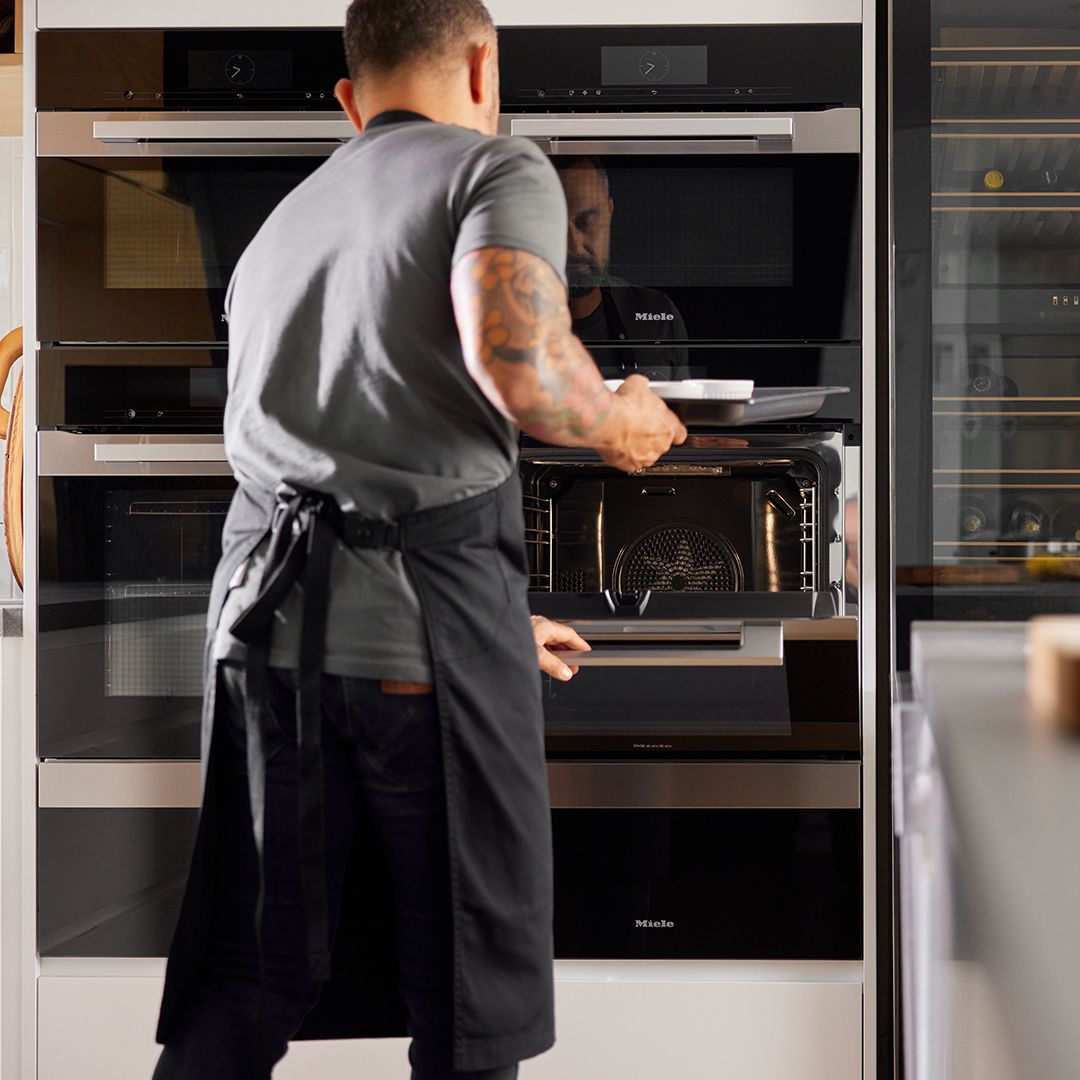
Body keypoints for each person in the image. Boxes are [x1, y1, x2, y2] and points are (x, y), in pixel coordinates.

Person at [151, 2, 686, 1080]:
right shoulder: (495, 170)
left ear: (352, 100)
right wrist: (620, 418)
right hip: (407, 662)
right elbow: (523, 365)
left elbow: (342, 456)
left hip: (264, 646)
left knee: (252, 978)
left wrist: (486, 620)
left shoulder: (286, 221)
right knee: (465, 999)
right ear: (484, 62)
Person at [554, 156, 692, 381]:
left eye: (587, 222)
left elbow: (680, 415)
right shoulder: (507, 322)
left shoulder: (659, 314)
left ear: (609, 213)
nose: (575, 246)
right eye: (557, 224)